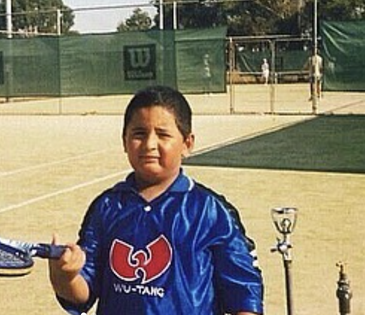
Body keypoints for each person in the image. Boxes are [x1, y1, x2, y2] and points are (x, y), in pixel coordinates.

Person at [49, 86, 264, 315]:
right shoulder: (107, 207)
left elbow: (244, 295)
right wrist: (64, 275)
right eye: (139, 134)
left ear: (187, 144)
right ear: (124, 141)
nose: (150, 144)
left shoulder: (211, 211)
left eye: (163, 134)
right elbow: (82, 294)